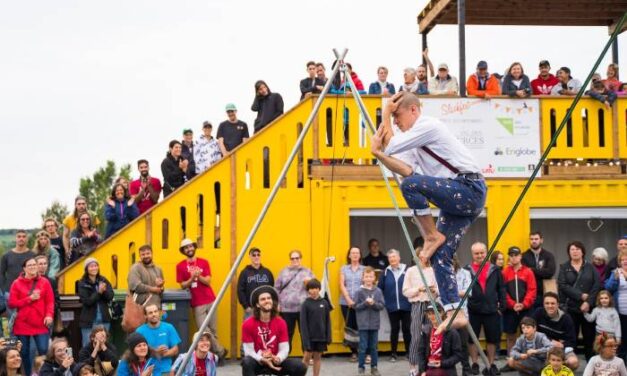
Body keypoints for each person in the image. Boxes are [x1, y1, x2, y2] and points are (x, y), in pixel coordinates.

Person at [371, 91, 486, 331]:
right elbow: (404, 168)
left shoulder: (428, 125)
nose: (396, 123)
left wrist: (384, 111)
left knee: (411, 186)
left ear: (413, 110)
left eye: (398, 116)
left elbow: (394, 147)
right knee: (440, 255)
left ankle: (431, 235)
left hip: (468, 188)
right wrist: (378, 154)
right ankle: (455, 310)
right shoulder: (414, 140)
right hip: (455, 200)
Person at [241, 286, 307, 376]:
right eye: (263, 299)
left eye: (269, 298)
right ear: (257, 304)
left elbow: (284, 348)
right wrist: (261, 359)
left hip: (275, 361)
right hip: (257, 361)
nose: (267, 301)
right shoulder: (248, 324)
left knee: (300, 366)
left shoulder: (281, 322)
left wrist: (278, 358)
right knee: (247, 361)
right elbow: (249, 351)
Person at [175, 239, 225, 358]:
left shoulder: (204, 262)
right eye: (186, 248)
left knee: (213, 330)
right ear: (183, 251)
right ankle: (221, 350)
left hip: (211, 299)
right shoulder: (180, 266)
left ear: (194, 247)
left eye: (191, 246)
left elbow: (208, 281)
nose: (189, 249)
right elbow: (182, 285)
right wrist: (191, 279)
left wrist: (199, 276)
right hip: (197, 302)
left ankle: (215, 356)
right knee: (203, 329)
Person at [465, 242, 505, 376]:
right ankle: (475, 364)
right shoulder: (466, 270)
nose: (480, 255)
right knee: (472, 339)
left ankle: (490, 364)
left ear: (486, 252)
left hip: (491, 310)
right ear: (472, 254)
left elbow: (501, 288)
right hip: (473, 310)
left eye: (482, 252)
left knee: (492, 339)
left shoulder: (495, 269)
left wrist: (502, 306)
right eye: (476, 253)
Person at [8, 257, 54, 376]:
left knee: (44, 349)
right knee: (24, 353)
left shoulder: (44, 282)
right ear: (24, 268)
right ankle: (28, 374)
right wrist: (29, 299)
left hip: (40, 323)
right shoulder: (16, 283)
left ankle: (44, 373)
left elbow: (50, 301)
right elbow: (12, 303)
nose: (33, 267)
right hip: (22, 324)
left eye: (34, 265)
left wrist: (49, 315)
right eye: (30, 265)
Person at [557, 240, 600, 360]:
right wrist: (581, 296)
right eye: (572, 249)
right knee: (571, 339)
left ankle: (591, 366)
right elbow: (562, 285)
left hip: (588, 310)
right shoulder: (564, 267)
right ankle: (571, 365)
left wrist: (588, 302)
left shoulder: (590, 267)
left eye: (577, 249)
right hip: (570, 308)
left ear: (583, 252)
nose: (575, 251)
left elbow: (597, 285)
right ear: (568, 252)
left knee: (589, 338)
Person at [403, 255, 439, 376]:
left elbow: (439, 289)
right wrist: (419, 289)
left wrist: (434, 290)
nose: (424, 258)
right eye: (421, 256)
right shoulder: (411, 270)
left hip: (431, 304)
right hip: (417, 304)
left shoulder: (433, 270)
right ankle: (413, 367)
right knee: (416, 336)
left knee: (431, 335)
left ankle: (428, 365)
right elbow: (405, 291)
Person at [274, 249, 313, 353]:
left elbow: (315, 288)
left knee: (304, 332)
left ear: (301, 259)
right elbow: (276, 288)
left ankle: (307, 355)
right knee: (287, 333)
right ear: (290, 259)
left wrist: (309, 284)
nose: (295, 260)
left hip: (303, 308)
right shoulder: (283, 271)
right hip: (286, 309)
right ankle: (284, 355)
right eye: (292, 258)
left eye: (297, 258)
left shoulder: (307, 271)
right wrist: (277, 304)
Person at [502, 246, 537, 355]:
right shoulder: (505, 272)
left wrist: (524, 304)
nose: (513, 258)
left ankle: (527, 359)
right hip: (510, 310)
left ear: (520, 256)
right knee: (510, 336)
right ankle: (511, 359)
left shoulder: (528, 272)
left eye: (516, 255)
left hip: (526, 309)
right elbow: (503, 291)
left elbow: (532, 290)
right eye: (511, 256)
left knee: (528, 335)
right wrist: (512, 304)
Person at [378, 249, 411, 362]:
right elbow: (379, 289)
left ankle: (408, 352)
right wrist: (383, 302)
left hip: (407, 306)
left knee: (407, 329)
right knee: (394, 329)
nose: (392, 259)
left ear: (399, 258)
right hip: (391, 306)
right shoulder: (385, 272)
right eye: (390, 257)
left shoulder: (407, 270)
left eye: (394, 257)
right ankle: (393, 354)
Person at [533, 292, 580, 371]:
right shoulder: (538, 313)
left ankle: (560, 371)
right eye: (547, 303)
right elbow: (532, 332)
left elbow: (572, 341)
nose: (550, 306)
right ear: (543, 304)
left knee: (573, 362)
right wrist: (550, 341)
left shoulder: (566, 318)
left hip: (561, 349)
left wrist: (562, 344)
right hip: (543, 346)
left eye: (553, 303)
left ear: (558, 304)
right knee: (520, 361)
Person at [417, 302, 463, 376]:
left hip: (445, 368)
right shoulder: (426, 331)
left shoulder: (451, 332)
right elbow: (421, 353)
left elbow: (458, 355)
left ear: (441, 313)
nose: (431, 316)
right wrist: (422, 371)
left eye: (434, 313)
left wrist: (441, 363)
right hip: (428, 367)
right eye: (429, 314)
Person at [354, 266, 385, 376]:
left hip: (374, 324)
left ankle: (374, 367)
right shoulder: (358, 291)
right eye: (366, 276)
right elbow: (356, 306)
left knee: (374, 347)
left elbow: (381, 306)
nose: (368, 279)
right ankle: (361, 367)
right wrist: (365, 303)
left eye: (370, 276)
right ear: (362, 278)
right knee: (362, 346)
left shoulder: (378, 291)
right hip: (363, 324)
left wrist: (374, 304)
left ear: (374, 278)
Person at [136, 304, 181, 376]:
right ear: (145, 316)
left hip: (165, 371)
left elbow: (175, 349)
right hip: (147, 371)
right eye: (150, 313)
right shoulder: (140, 331)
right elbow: (136, 353)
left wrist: (162, 354)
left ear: (159, 313)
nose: (154, 314)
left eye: (155, 311)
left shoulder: (169, 327)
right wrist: (156, 352)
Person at [77, 258, 114, 345]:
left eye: (96, 265)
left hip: (104, 319)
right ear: (86, 269)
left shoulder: (103, 280)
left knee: (104, 345)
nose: (94, 268)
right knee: (88, 345)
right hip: (89, 321)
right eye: (91, 266)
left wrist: (104, 291)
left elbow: (110, 296)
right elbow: (87, 301)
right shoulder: (82, 283)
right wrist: (98, 292)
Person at [0, 231, 35, 323]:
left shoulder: (32, 255)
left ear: (27, 239)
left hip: (29, 292)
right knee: (13, 321)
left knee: (29, 320)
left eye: (24, 236)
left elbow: (36, 272)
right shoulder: (6, 256)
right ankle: (14, 338)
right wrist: (4, 290)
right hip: (10, 293)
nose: (21, 238)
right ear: (15, 239)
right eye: (19, 236)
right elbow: (1, 273)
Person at [299, 279, 331, 376]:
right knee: (306, 358)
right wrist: (306, 341)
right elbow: (303, 324)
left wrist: (328, 336)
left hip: (321, 337)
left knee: (317, 358)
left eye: (315, 288)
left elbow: (328, 321)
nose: (313, 291)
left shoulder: (324, 303)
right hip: (309, 338)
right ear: (308, 290)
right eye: (311, 289)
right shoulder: (305, 304)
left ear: (319, 289)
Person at [339, 247, 365, 361]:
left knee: (361, 326)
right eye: (352, 253)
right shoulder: (344, 269)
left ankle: (362, 351)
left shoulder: (364, 269)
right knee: (350, 327)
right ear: (349, 255)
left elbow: (366, 285)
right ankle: (353, 352)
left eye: (357, 253)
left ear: (360, 255)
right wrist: (348, 299)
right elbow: (342, 284)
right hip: (345, 303)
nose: (355, 255)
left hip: (361, 302)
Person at [236, 247, 274, 320]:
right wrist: (246, 306)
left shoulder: (267, 272)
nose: (256, 257)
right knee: (250, 329)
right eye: (254, 255)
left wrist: (271, 305)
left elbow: (272, 289)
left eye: (258, 255)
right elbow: (240, 290)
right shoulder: (244, 273)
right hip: (251, 309)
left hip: (265, 308)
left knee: (264, 330)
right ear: (250, 256)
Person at [522, 231, 557, 308]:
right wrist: (542, 272)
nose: (534, 241)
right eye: (531, 239)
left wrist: (531, 270)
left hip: (545, 293)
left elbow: (550, 272)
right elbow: (524, 274)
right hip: (529, 294)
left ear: (541, 240)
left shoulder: (548, 255)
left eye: (536, 239)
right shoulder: (523, 256)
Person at [604, 251, 627, 360]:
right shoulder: (615, 272)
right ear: (620, 262)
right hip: (620, 311)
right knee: (622, 339)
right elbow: (608, 288)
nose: (625, 261)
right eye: (623, 260)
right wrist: (615, 279)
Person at [453, 255, 472, 376]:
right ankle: (450, 369)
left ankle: (466, 368)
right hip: (445, 315)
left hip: (462, 314)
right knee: (448, 344)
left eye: (451, 260)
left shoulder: (465, 273)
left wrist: (450, 293)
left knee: (463, 343)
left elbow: (468, 292)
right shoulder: (441, 273)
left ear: (456, 260)